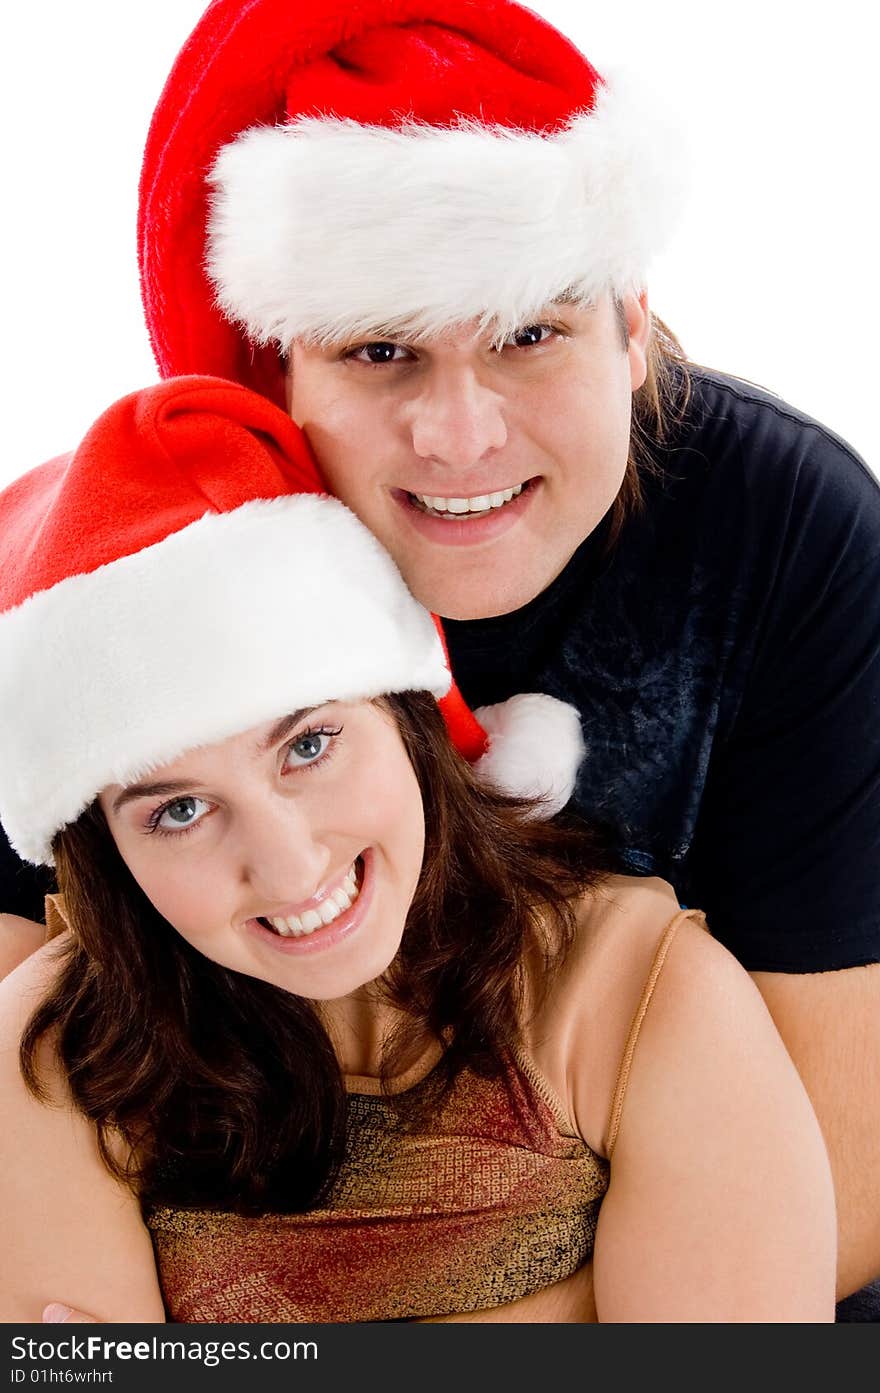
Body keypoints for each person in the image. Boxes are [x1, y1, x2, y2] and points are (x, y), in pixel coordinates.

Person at [1, 0, 878, 1313]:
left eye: (529, 332)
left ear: (632, 328)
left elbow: (831, 1204)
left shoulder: (785, 536)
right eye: (381, 351)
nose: (462, 439)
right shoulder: (123, 615)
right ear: (275, 372)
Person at [0, 377, 835, 1323]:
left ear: (406, 714)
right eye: (180, 810)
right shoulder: (50, 1056)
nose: (288, 865)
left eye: (309, 746)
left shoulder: (635, 988)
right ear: (106, 850)